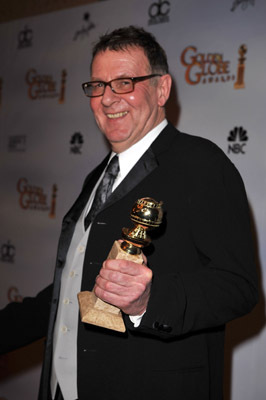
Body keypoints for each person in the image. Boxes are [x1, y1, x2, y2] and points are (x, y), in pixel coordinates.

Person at [0, 26, 258, 400]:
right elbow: (73, 288)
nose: (107, 98)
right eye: (97, 85)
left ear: (162, 89)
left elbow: (239, 287)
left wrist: (150, 300)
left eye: (124, 82)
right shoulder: (97, 175)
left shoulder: (202, 165)